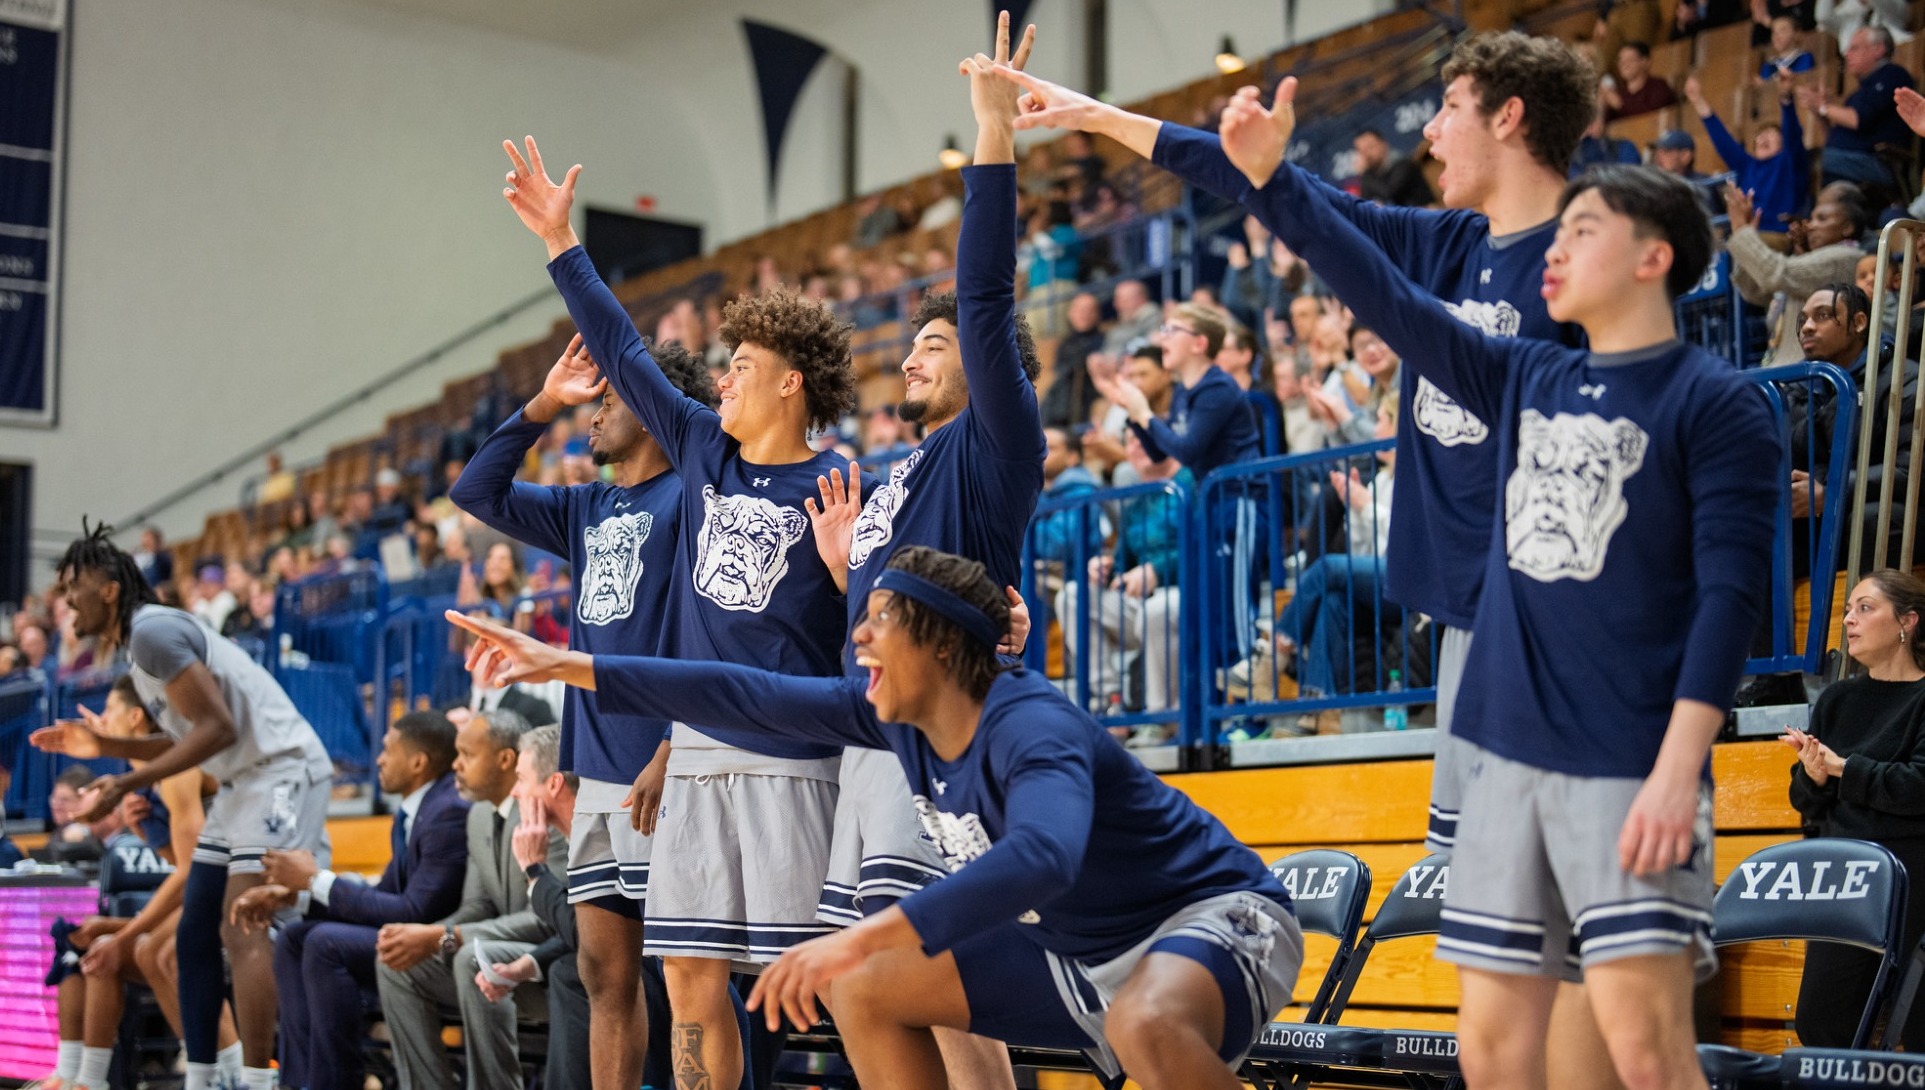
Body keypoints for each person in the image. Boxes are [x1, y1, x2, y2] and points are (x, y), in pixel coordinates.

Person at [1201, 70, 1778, 1088]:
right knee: (1493, 1049)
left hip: (1627, 754)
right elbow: (1381, 292)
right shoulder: (1525, 376)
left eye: (1581, 232)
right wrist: (1272, 184)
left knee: (1642, 1048)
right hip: (1508, 752)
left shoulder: (1718, 403)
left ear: (1652, 257)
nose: (1551, 249)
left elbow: (1729, 596)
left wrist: (1675, 765)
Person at [445, 544, 1304, 1090]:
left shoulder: (1031, 726)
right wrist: (572, 663)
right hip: (1076, 955)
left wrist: (863, 932)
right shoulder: (894, 718)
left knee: (1142, 1023)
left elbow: (1044, 856)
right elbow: (743, 691)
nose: (858, 639)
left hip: (1214, 922)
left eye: (880, 622)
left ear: (939, 642)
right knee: (862, 989)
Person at [503, 132, 862, 1090]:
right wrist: (559, 242)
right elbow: (622, 348)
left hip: (791, 755)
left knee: (825, 989)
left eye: (741, 364)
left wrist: (843, 567)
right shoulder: (703, 450)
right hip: (699, 753)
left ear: (790, 382)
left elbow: (869, 627)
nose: (723, 377)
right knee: (692, 980)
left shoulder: (841, 484)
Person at [801, 27, 1047, 1088]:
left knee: (946, 979)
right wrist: (836, 565)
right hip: (885, 726)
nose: (910, 353)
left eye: (932, 345)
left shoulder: (993, 441)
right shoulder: (898, 471)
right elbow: (888, 607)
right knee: (907, 984)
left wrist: (991, 136)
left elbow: (983, 297)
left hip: (956, 725)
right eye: (910, 345)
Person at [449, 326, 710, 1090]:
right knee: (605, 982)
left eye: (609, 399)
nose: (590, 413)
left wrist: (674, 748)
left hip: (673, 765)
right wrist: (537, 405)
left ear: (656, 409)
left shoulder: (694, 498)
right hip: (595, 771)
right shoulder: (585, 508)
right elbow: (476, 492)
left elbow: (712, 637)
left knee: (697, 990)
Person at [33, 524, 334, 1090]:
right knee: (194, 931)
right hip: (244, 777)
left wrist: (129, 782)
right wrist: (103, 747)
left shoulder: (152, 632)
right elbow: (189, 738)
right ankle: (204, 1077)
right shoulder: (140, 646)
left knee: (242, 925)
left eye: (75, 584)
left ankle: (257, 1080)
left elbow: (218, 728)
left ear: (110, 590)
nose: (65, 599)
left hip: (281, 768)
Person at [227, 711, 470, 1090]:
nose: (378, 760)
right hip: (402, 940)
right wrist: (300, 897)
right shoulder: (417, 811)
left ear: (418, 762)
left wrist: (314, 878)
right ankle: (299, 1082)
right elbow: (384, 896)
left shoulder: (448, 812)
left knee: (326, 945)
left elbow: (415, 911)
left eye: (388, 750)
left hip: (437, 947)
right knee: (295, 937)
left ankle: (336, 1083)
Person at [36, 676, 236, 1090]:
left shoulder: (178, 765)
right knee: (98, 947)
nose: (102, 719)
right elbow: (182, 862)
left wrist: (122, 936)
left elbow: (192, 872)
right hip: (210, 881)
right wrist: (146, 833)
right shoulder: (144, 772)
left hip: (241, 884)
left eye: (109, 710)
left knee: (156, 950)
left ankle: (229, 1068)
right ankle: (88, 1079)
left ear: (135, 716)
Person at [372, 707, 563, 1090]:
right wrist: (423, 935)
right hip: (499, 955)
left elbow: (548, 918)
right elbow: (479, 906)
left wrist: (448, 937)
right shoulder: (477, 816)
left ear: (506, 759)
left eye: (468, 755)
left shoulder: (544, 815)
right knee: (398, 962)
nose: (455, 766)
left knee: (473, 957)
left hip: (551, 966)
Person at [1786, 569, 1925, 1049]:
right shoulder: (1837, 699)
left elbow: (1919, 786)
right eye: (1848, 610)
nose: (1849, 620)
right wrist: (1815, 775)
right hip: (1844, 880)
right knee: (1820, 1023)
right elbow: (1804, 801)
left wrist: (1845, 769)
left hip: (1915, 879)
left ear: (1907, 621)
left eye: (1865, 608)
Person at [1052, 433, 1190, 734]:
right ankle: (1109, 701)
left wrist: (1158, 569)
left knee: (1158, 609)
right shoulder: (1137, 498)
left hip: (1189, 593)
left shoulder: (1191, 481)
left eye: (1143, 437)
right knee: (1073, 596)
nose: (1136, 446)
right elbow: (1124, 561)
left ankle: (1162, 719)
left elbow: (1207, 544)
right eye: (1129, 441)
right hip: (1139, 600)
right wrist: (1106, 569)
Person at [1725, 181, 1869, 363]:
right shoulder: (1813, 259)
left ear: (1848, 227)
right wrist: (1745, 240)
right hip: (1785, 370)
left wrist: (1741, 231)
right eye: (1811, 219)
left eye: (1822, 219)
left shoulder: (1846, 257)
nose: (1811, 225)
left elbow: (1777, 273)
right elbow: (1754, 291)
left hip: (1804, 377)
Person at [1799, 27, 1917, 202]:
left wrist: (1824, 106)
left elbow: (1858, 119)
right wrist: (1819, 113)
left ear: (1879, 49)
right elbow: (1831, 139)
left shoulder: (1893, 75)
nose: (1847, 55)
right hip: (1846, 161)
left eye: (1854, 48)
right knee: (1800, 160)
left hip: (1876, 164)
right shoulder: (1856, 93)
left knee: (1803, 159)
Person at [1685, 73, 1807, 234]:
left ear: (1782, 143)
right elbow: (1723, 141)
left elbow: (1792, 134)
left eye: (1770, 133)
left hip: (1776, 234)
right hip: (1747, 234)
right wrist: (1698, 101)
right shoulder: (1747, 165)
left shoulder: (1789, 162)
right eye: (1759, 135)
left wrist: (1786, 98)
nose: (1762, 137)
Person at [1353, 127, 1435, 207]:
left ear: (1384, 144)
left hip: (1425, 213)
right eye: (1362, 151)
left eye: (1370, 147)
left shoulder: (1403, 163)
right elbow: (1366, 203)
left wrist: (1365, 173)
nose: (1367, 155)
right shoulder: (1372, 176)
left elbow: (1390, 194)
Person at [1601, 41, 1676, 120]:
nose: (1624, 65)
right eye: (1621, 61)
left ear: (1645, 62)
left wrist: (1619, 105)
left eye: (1630, 60)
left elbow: (1652, 118)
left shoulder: (1659, 87)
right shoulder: (1620, 93)